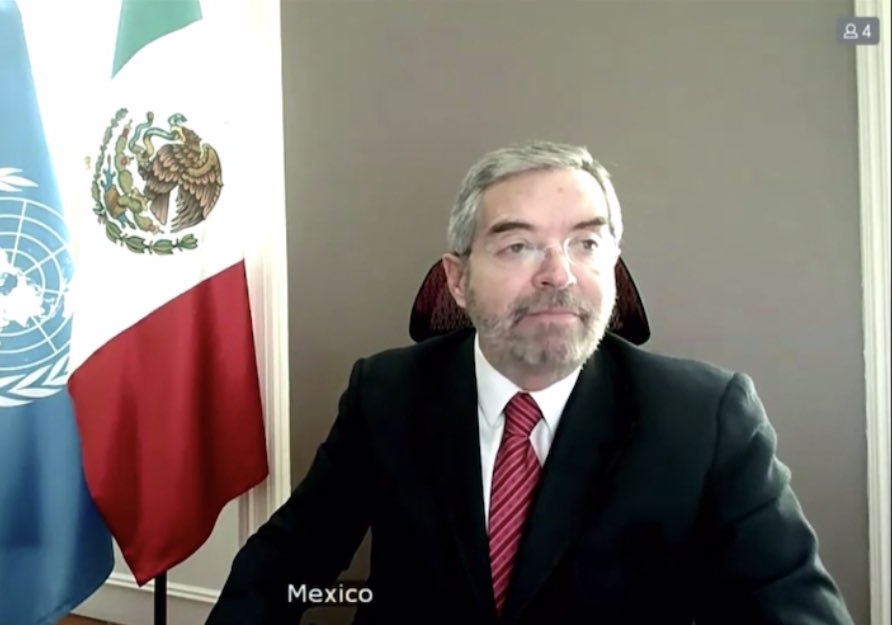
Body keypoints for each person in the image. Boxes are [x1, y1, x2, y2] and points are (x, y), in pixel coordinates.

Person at [205, 141, 855, 625]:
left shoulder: (705, 416)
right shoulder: (386, 393)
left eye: (586, 244)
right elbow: (289, 567)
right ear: (457, 280)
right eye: (518, 246)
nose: (558, 274)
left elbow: (788, 603)